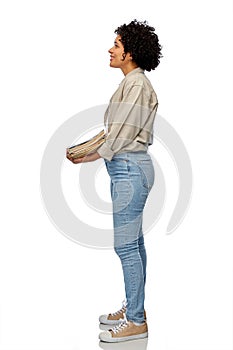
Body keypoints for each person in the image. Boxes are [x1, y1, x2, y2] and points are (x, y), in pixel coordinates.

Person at [67, 19, 162, 343]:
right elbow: (114, 131)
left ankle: (136, 320)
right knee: (133, 244)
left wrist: (92, 155)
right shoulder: (132, 83)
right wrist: (85, 150)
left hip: (129, 169)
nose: (111, 49)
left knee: (125, 246)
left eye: (117, 45)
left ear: (130, 53)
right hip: (127, 167)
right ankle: (136, 308)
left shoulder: (136, 85)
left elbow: (119, 136)